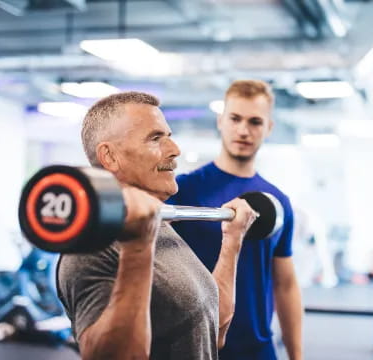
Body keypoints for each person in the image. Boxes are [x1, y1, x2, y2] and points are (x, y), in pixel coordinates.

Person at [56, 91, 258, 360]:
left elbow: (213, 328)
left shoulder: (160, 225)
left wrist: (232, 240)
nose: (174, 150)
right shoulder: (92, 247)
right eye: (155, 138)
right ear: (110, 156)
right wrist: (138, 249)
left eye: (169, 136)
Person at [168, 80, 304, 360]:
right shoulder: (181, 191)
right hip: (196, 348)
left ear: (269, 128)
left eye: (255, 122)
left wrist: (296, 356)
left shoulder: (279, 202)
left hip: (258, 349)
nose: (243, 130)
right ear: (221, 121)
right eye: (235, 118)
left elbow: (286, 285)